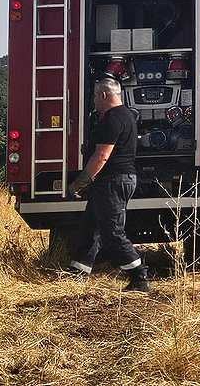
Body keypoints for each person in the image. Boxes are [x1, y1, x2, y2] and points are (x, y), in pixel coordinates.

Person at [65, 78, 149, 292]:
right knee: (91, 228)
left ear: (103, 95)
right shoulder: (127, 115)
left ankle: (139, 277)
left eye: (94, 96)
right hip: (116, 180)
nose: (93, 101)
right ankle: (78, 273)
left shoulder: (112, 119)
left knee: (112, 233)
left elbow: (101, 156)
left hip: (113, 181)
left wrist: (80, 183)